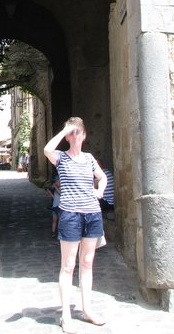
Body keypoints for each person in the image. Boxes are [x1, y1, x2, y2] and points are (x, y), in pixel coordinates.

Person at [44, 117, 107, 334]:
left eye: (78, 131)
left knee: (87, 262)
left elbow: (102, 177)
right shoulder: (61, 158)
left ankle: (87, 309)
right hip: (70, 214)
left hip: (92, 214)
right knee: (68, 266)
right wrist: (64, 130)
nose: (75, 135)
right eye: (72, 132)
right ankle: (66, 315)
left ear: (84, 134)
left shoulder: (89, 159)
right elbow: (46, 149)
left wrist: (100, 189)